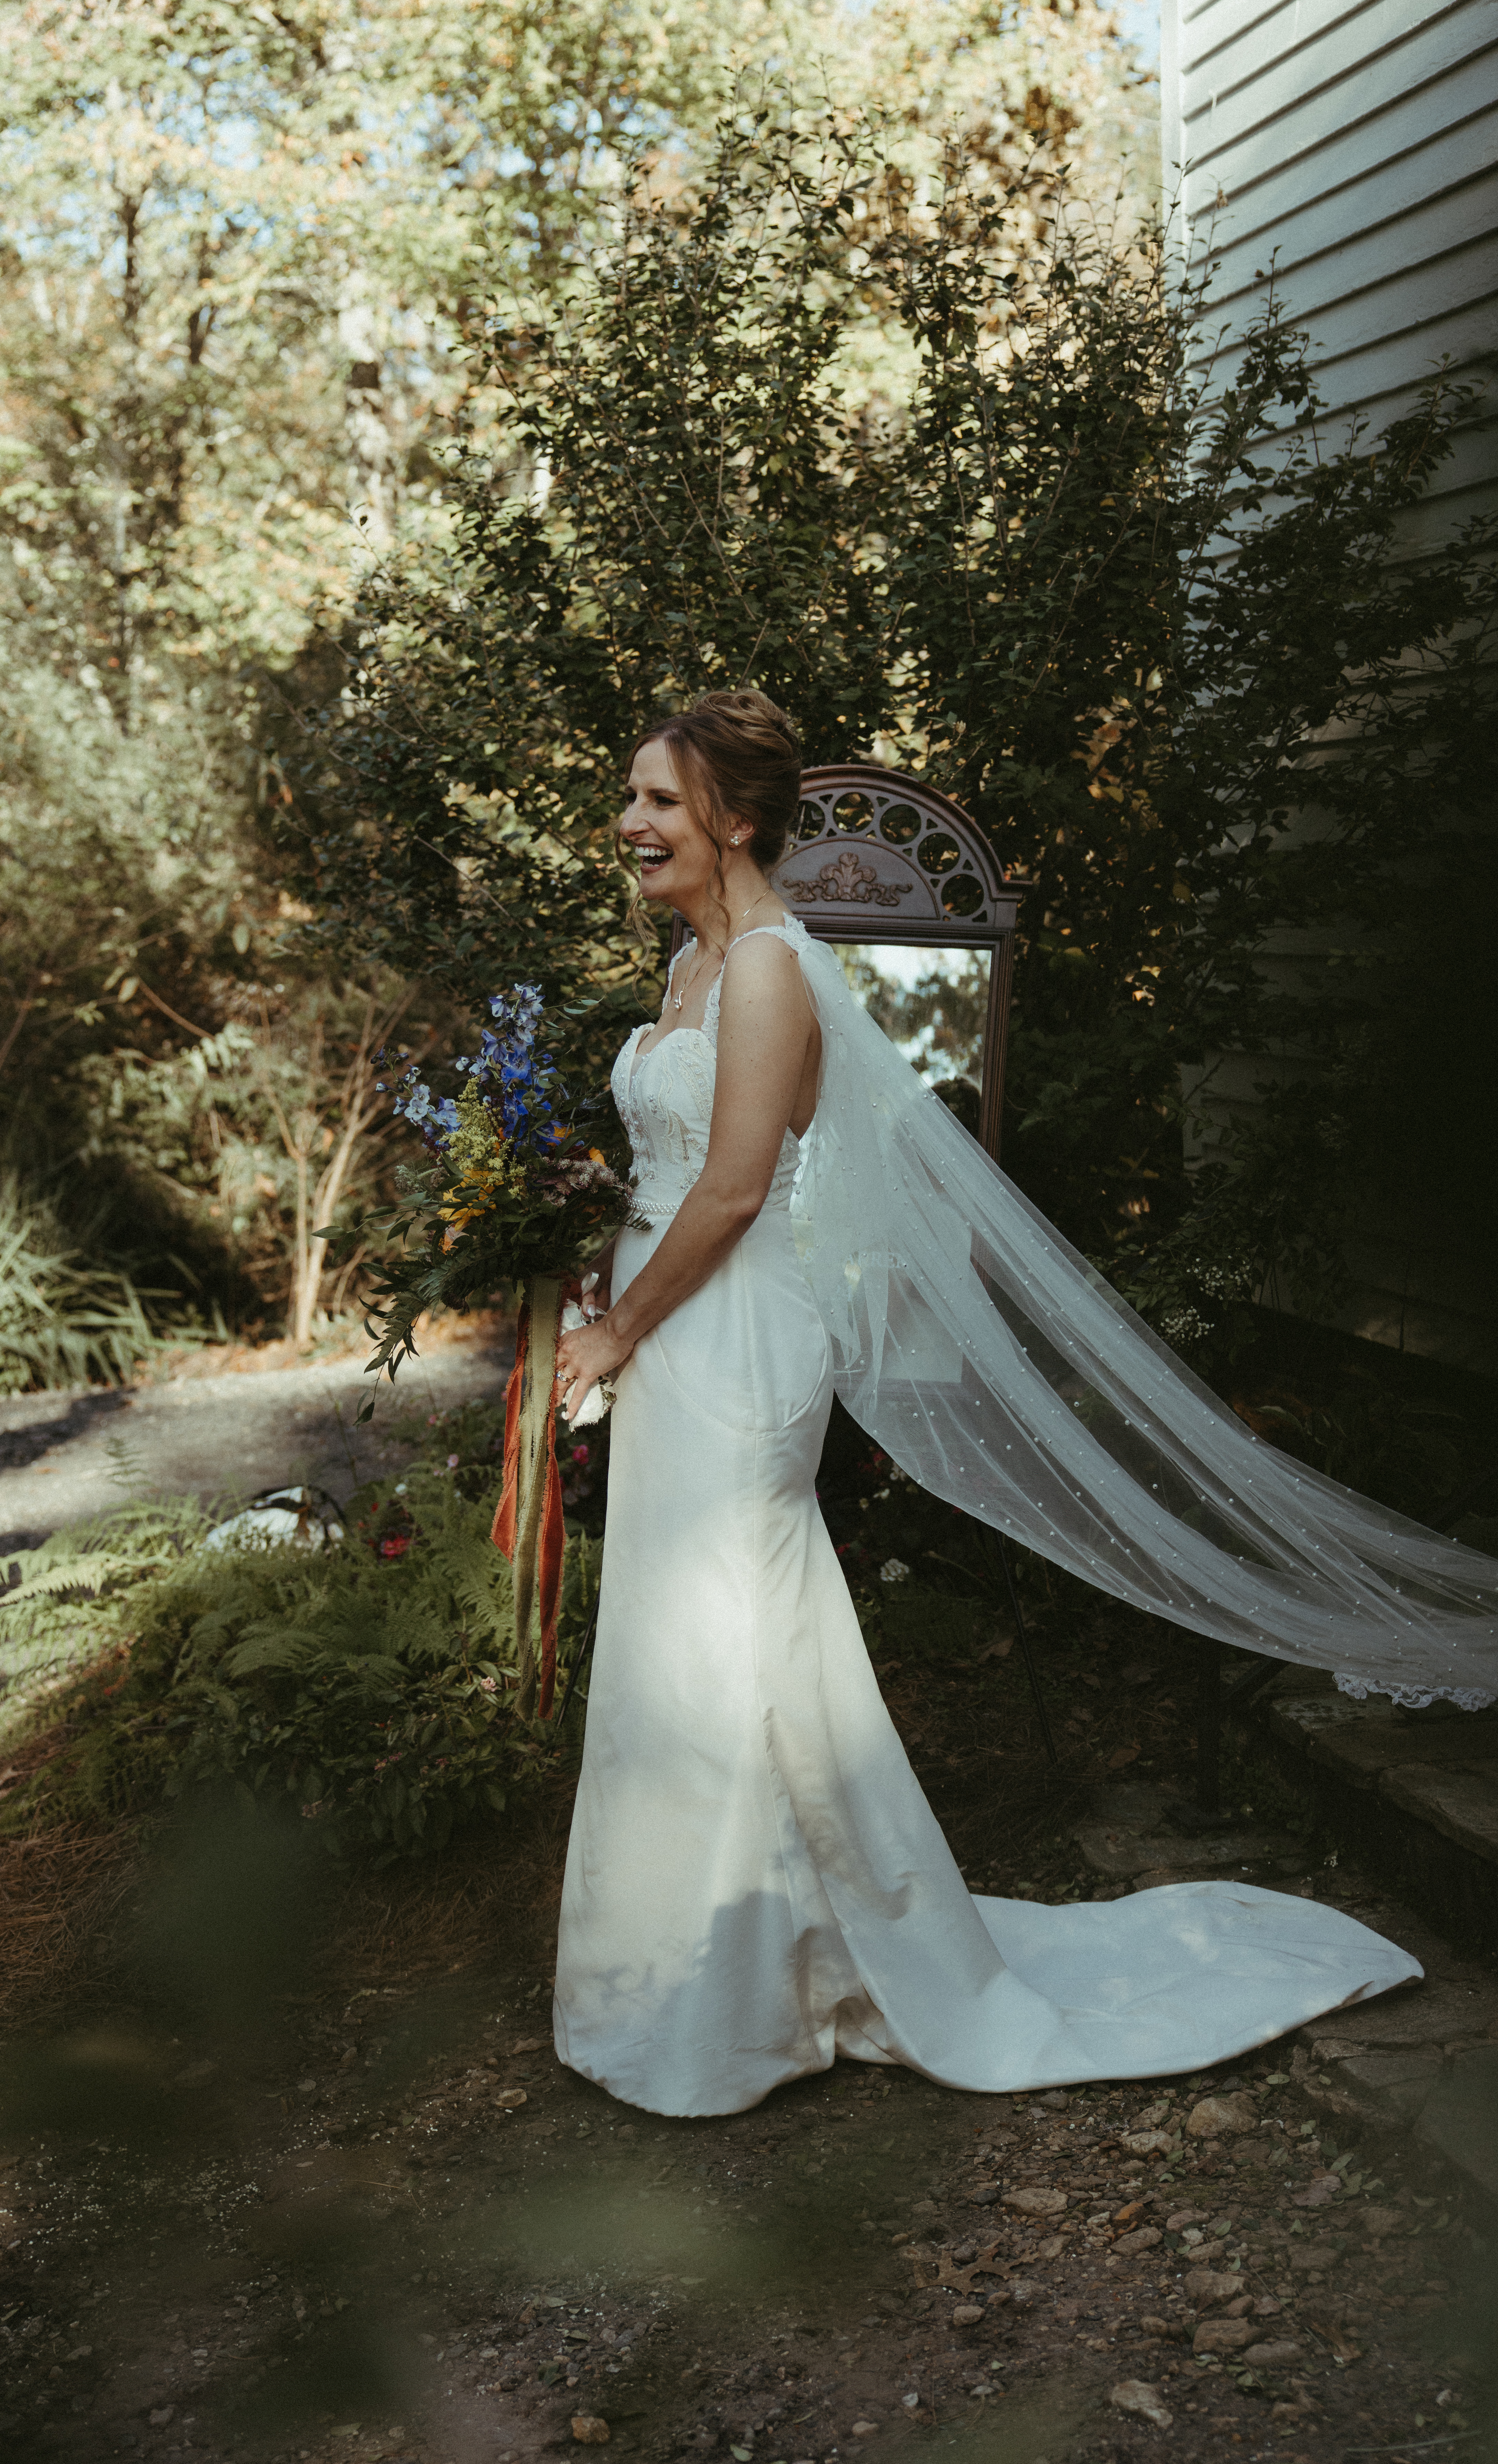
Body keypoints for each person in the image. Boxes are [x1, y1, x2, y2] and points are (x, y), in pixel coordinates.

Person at [551, 690, 1420, 2119]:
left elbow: (737, 1186)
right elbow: (663, 1174)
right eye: (633, 797)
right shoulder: (688, 968)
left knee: (725, 1632)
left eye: (658, 799)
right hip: (657, 1325)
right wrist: (601, 1282)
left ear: (739, 819)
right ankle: (688, 1972)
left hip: (733, 1337)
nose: (632, 822)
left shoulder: (770, 968)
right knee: (678, 1636)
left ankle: (746, 1993)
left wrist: (620, 1331)